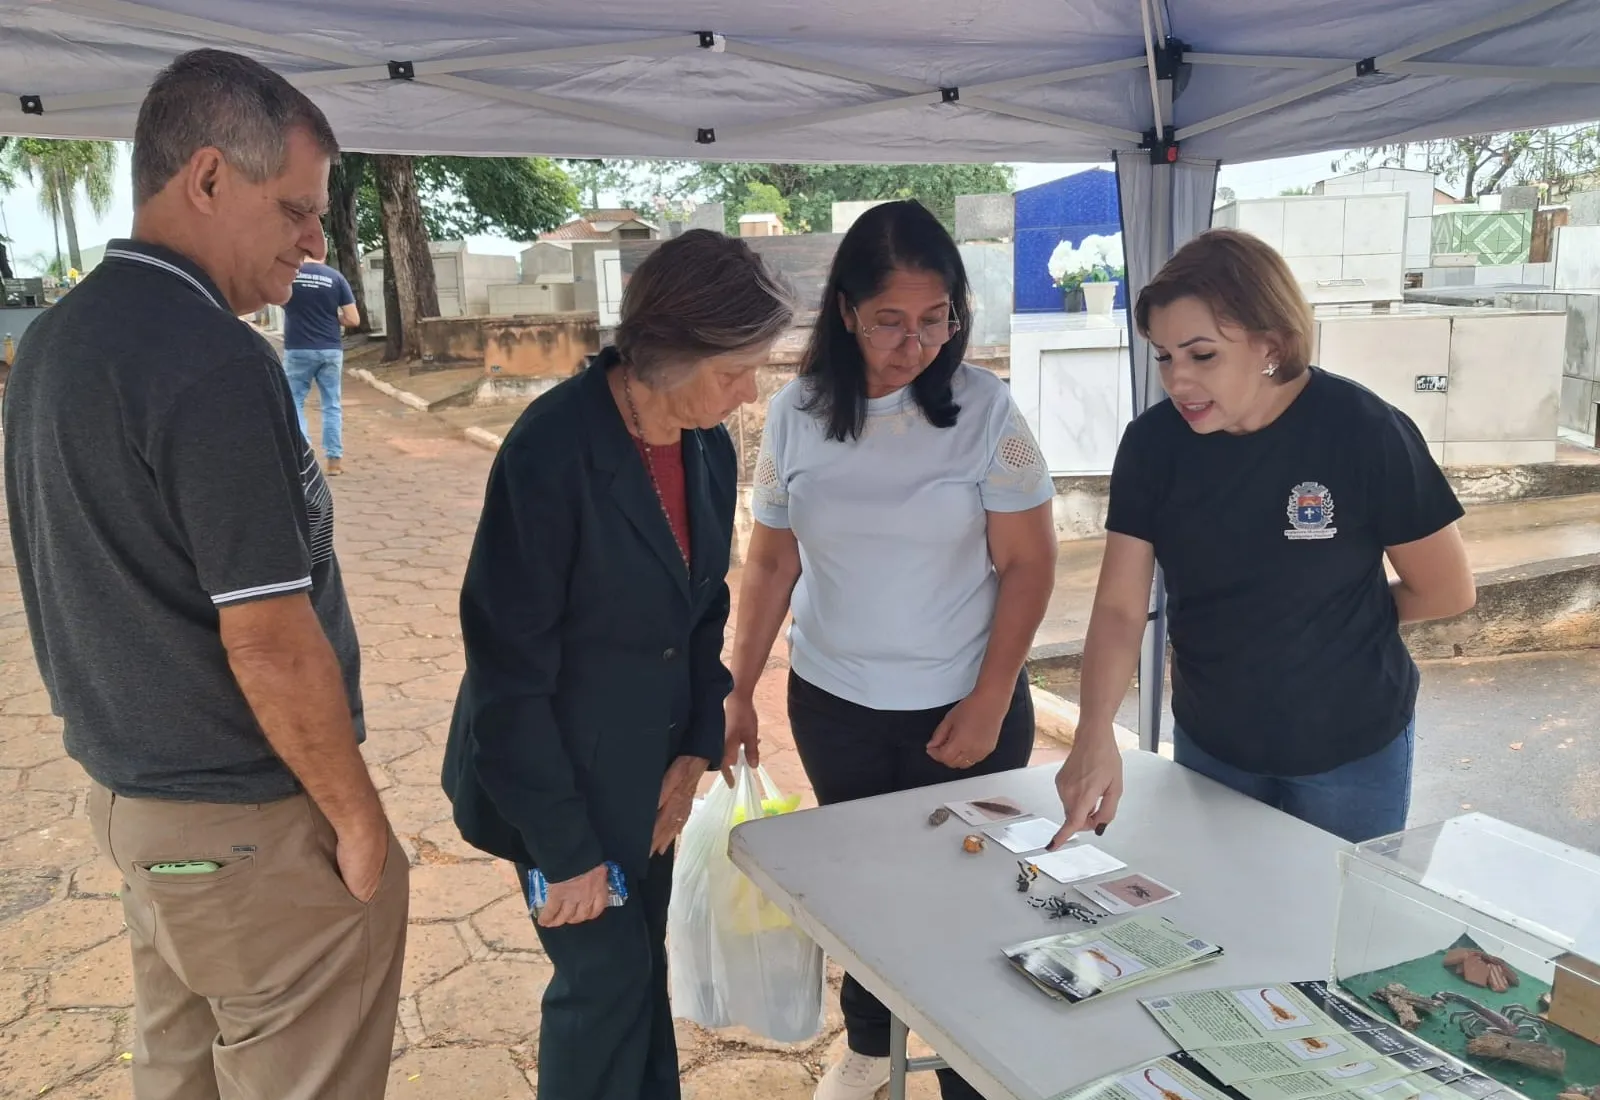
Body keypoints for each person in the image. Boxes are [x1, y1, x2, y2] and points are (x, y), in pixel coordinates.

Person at [2, 49, 407, 1099]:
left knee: (181, 1069)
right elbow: (269, 635)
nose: (317, 241)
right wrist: (358, 818)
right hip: (248, 822)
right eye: (297, 209)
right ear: (210, 178)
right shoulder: (212, 358)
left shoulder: (53, 341)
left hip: (145, 809)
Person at [441, 229, 794, 1100]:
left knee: (640, 971)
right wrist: (565, 855)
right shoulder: (552, 451)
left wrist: (693, 749)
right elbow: (508, 672)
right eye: (733, 370)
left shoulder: (706, 444)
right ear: (667, 352)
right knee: (601, 989)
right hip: (553, 782)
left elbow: (701, 605)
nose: (749, 393)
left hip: (650, 775)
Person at [723, 200, 1059, 1100]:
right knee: (867, 892)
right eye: (890, 321)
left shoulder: (987, 410)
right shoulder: (797, 413)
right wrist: (737, 687)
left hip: (966, 701)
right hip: (836, 703)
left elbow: (1028, 566)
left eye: (937, 317)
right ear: (844, 312)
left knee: (968, 896)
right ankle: (871, 1049)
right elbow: (770, 560)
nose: (918, 344)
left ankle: (968, 1064)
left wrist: (991, 698)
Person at [1050, 228, 1475, 851]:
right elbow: (1118, 607)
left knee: (1333, 925)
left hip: (1350, 745)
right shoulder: (1153, 446)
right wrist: (1093, 736)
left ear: (1270, 345)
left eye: (1202, 355)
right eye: (1163, 355)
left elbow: (1446, 589)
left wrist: (1337, 623)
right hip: (1213, 740)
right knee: (1222, 922)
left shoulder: (1364, 432)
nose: (1177, 379)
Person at [281, 239, 359, 475]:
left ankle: (304, 452)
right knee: (332, 404)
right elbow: (353, 319)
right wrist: (334, 318)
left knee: (294, 401)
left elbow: (279, 301)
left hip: (297, 349)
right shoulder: (336, 278)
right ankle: (334, 461)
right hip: (330, 350)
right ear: (324, 253)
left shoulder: (291, 276)